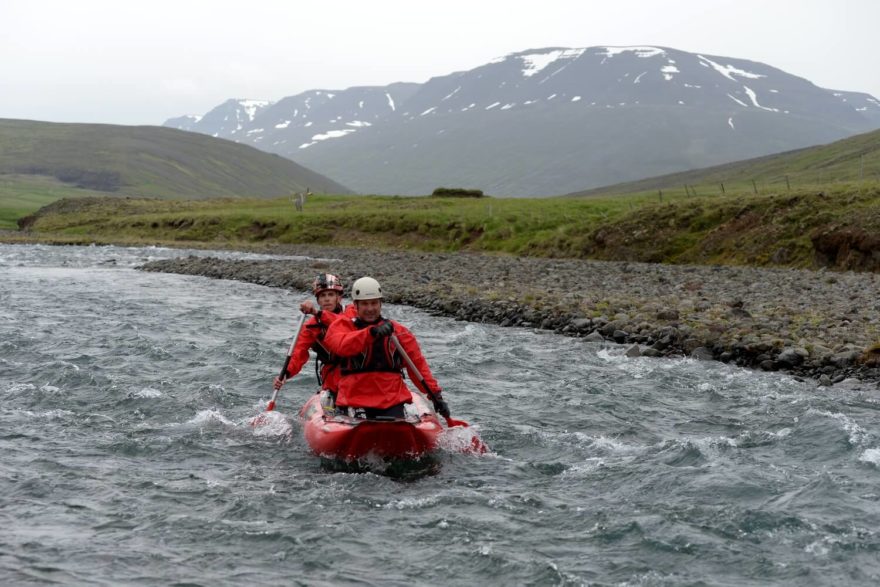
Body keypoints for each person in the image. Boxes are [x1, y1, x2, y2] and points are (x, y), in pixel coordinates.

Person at [323, 276, 450, 420]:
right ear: (355, 305)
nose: (370, 309)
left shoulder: (399, 332)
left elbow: (418, 366)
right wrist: (371, 333)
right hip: (353, 399)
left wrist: (436, 396)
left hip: (390, 400)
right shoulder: (342, 327)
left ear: (380, 303)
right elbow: (341, 345)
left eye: (374, 303)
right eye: (364, 304)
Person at [272, 273, 353, 410]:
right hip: (332, 379)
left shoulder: (351, 312)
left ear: (339, 297)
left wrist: (318, 313)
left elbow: (342, 324)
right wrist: (285, 374)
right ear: (318, 300)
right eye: (322, 296)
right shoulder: (311, 326)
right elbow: (298, 352)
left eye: (331, 294)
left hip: (357, 374)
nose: (327, 299)